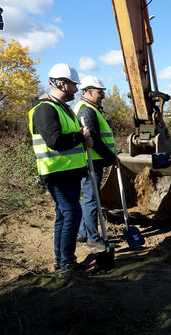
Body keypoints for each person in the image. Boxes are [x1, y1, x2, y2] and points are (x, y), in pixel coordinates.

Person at [28, 63, 93, 272]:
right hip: (57, 173)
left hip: (69, 173)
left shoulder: (62, 108)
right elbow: (55, 141)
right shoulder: (44, 109)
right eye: (74, 85)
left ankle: (60, 260)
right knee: (73, 214)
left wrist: (83, 140)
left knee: (64, 215)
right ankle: (67, 262)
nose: (76, 89)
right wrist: (80, 136)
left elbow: (70, 139)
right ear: (62, 84)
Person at [73, 75, 118, 249]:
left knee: (89, 198)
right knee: (92, 200)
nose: (103, 96)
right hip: (92, 162)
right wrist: (111, 157)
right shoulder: (87, 110)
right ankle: (93, 238)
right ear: (89, 91)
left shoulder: (91, 108)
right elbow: (95, 141)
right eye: (100, 92)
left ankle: (83, 233)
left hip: (95, 161)